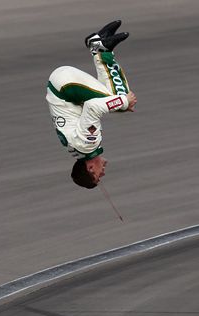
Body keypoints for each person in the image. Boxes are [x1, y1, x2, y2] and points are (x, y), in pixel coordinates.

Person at [46, 20, 137, 189]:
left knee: (120, 100)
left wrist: (125, 102)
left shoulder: (87, 144)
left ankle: (101, 48)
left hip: (65, 87)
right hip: (60, 84)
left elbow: (93, 107)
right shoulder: (78, 149)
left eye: (98, 177)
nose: (103, 173)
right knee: (114, 102)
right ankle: (99, 43)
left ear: (89, 168)